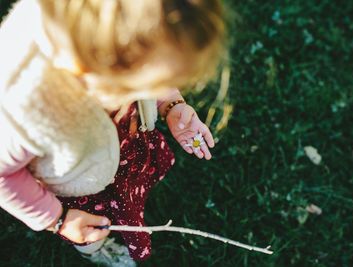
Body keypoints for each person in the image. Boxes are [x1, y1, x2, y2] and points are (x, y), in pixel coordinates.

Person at [0, 0, 225, 266]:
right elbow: (4, 175)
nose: (155, 89)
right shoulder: (26, 110)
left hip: (124, 147)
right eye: (149, 84)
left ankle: (132, 199)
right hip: (81, 185)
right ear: (96, 70)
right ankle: (95, 247)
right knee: (93, 228)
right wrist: (57, 219)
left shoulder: (111, 40)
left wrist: (171, 103)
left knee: (131, 187)